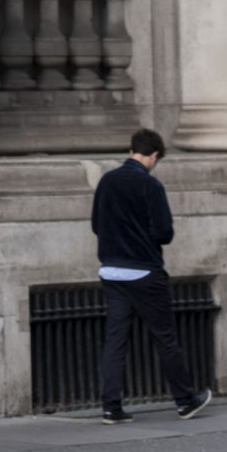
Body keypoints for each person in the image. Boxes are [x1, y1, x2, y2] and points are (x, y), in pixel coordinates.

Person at [92, 129, 211, 424]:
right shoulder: (150, 185)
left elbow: (96, 224)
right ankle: (185, 401)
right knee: (164, 338)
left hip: (111, 271)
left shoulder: (106, 181)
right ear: (154, 155)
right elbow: (164, 233)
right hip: (144, 272)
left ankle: (111, 407)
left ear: (133, 149)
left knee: (115, 340)